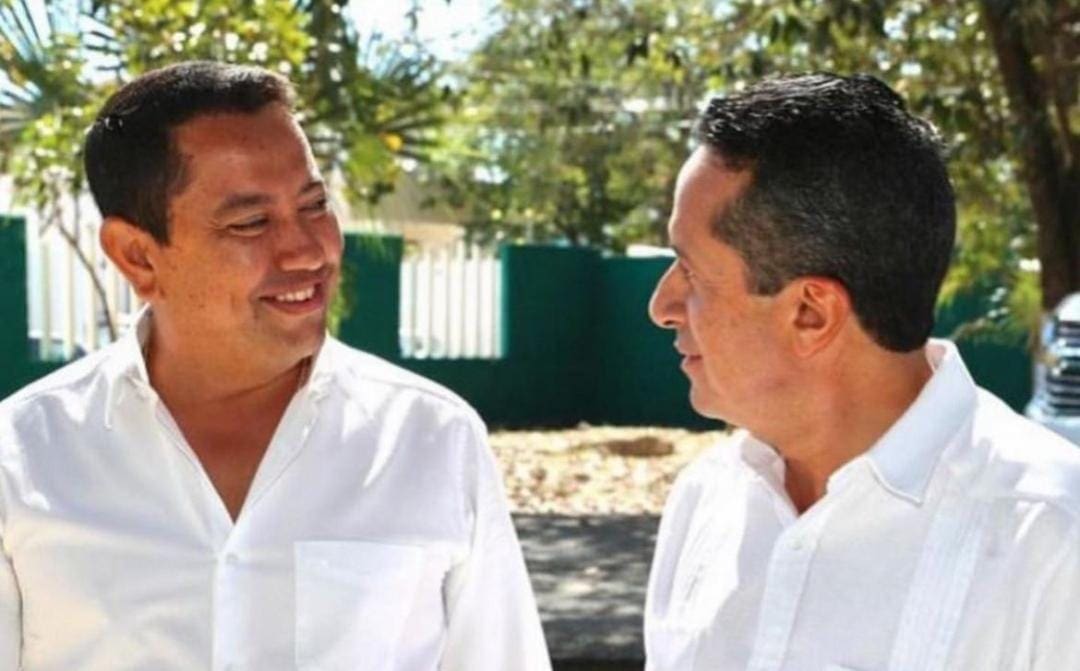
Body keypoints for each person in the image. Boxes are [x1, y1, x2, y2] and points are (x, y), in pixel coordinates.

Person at [0, 61, 549, 670]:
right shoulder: (21, 458)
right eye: (251, 222)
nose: (307, 250)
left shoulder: (432, 439)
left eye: (315, 206)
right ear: (137, 256)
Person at [645, 73, 1080, 671]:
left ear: (811, 313)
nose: (662, 306)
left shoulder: (1053, 539)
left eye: (691, 271)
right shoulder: (707, 497)